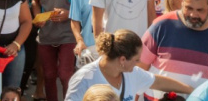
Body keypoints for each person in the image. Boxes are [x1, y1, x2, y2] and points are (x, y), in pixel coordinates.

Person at [140, 0, 208, 97]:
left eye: (200, 10)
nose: (193, 14)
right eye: (189, 8)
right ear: (182, 2)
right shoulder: (162, 25)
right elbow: (139, 68)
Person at [64, 29, 192, 101]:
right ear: (123, 60)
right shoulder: (83, 79)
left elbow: (157, 82)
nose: (139, 63)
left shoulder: (132, 73)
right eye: (136, 60)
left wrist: (193, 91)